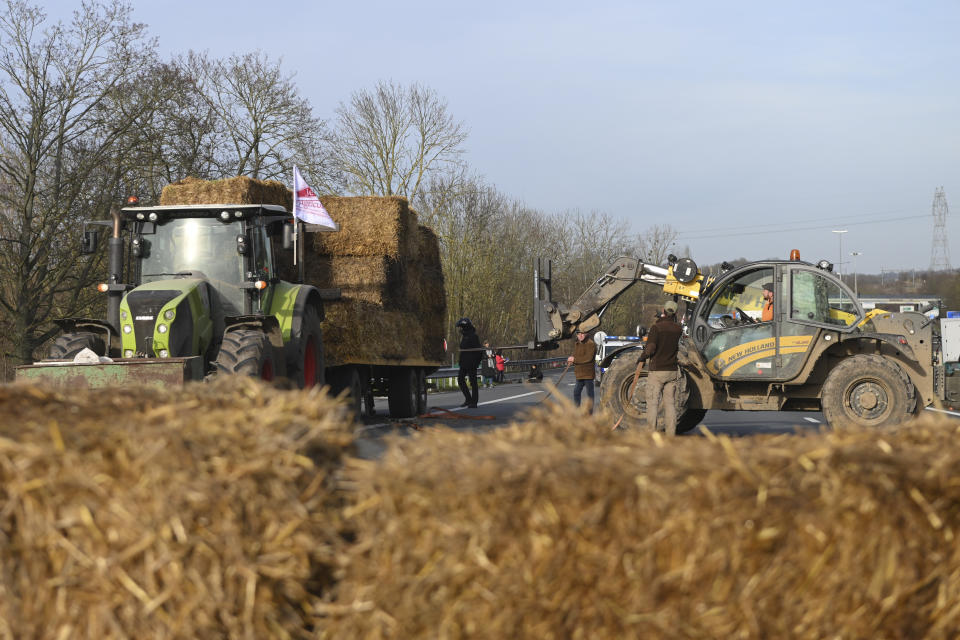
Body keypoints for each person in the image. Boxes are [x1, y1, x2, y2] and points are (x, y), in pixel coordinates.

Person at [635, 300, 683, 435]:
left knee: (652, 405)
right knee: (670, 405)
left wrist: (642, 357)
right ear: (675, 313)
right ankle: (670, 435)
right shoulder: (678, 329)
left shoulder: (656, 328)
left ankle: (651, 434)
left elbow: (651, 348)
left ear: (663, 311)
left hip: (657, 371)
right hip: (672, 371)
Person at [567, 329, 597, 412]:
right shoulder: (577, 343)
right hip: (579, 374)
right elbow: (575, 355)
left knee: (589, 395)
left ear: (586, 334)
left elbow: (588, 358)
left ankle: (589, 413)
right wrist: (571, 359)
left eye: (582, 334)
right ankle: (577, 411)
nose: (580, 336)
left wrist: (574, 359)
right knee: (576, 392)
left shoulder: (591, 344)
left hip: (588, 374)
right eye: (578, 334)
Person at [456, 317, 481, 408]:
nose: (461, 329)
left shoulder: (473, 336)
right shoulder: (464, 336)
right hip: (463, 363)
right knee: (460, 380)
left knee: (473, 382)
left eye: (462, 327)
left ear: (466, 327)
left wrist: (476, 362)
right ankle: (468, 399)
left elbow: (479, 351)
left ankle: (474, 402)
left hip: (471, 363)